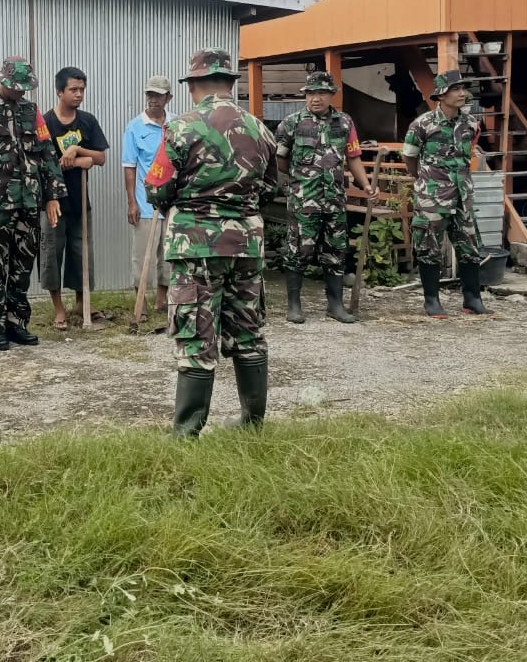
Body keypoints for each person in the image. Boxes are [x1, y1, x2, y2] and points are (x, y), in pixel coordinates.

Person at [145, 48, 277, 437]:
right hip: (247, 244)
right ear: (230, 83)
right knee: (248, 329)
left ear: (195, 86)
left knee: (195, 334)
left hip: (197, 245)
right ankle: (252, 423)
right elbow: (270, 187)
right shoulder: (259, 128)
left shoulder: (182, 128)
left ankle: (187, 433)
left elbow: (156, 188)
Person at [0, 56, 65, 351]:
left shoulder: (31, 111)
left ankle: (17, 323)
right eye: (17, 87)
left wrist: (52, 196)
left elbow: (47, 153)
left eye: (25, 87)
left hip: (29, 202)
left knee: (23, 266)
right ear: (3, 82)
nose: (22, 92)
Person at [274, 71, 374, 324]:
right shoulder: (291, 122)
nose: (315, 98)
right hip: (303, 200)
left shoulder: (344, 123)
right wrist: (302, 179)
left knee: (335, 251)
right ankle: (294, 306)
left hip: (334, 200)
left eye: (321, 93)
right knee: (299, 251)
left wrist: (366, 185)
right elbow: (280, 158)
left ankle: (335, 305)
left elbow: (353, 158)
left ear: (331, 95)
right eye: (310, 93)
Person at [403, 69, 491, 318]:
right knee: (429, 247)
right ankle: (432, 301)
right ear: (441, 94)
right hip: (432, 195)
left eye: (463, 88)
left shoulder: (471, 124)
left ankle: (472, 299)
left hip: (462, 194)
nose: (462, 93)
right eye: (456, 89)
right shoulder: (423, 124)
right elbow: (409, 157)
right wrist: (425, 180)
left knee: (469, 246)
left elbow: (469, 152)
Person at [40, 66, 108, 328]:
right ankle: (59, 309)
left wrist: (78, 152)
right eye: (73, 90)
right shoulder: (45, 123)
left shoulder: (87, 121)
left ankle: (82, 303)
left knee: (82, 253)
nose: (79, 94)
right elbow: (42, 163)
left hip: (80, 201)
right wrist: (83, 160)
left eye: (82, 90)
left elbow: (100, 158)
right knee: (52, 254)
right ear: (60, 91)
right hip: (53, 202)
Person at [122, 75, 173, 317]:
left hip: (172, 202)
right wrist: (132, 202)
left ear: (168, 98)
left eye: (159, 95)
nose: (153, 100)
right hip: (145, 202)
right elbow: (129, 166)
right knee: (143, 255)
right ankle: (140, 300)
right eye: (150, 95)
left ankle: (162, 300)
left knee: (169, 253)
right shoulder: (135, 127)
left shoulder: (176, 125)